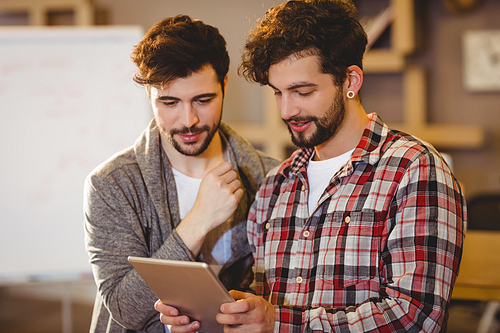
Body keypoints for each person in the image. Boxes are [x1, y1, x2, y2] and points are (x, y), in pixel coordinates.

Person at [156, 1, 466, 332]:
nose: (287, 110)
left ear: (351, 80)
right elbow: (256, 304)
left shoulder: (414, 170)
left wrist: (280, 323)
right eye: (278, 93)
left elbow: (416, 317)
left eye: (302, 92)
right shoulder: (277, 183)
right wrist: (209, 318)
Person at [84, 15, 279, 333]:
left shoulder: (272, 179)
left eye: (203, 100)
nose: (188, 120)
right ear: (149, 94)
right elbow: (125, 308)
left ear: (224, 85)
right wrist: (198, 221)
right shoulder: (112, 184)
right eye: (170, 102)